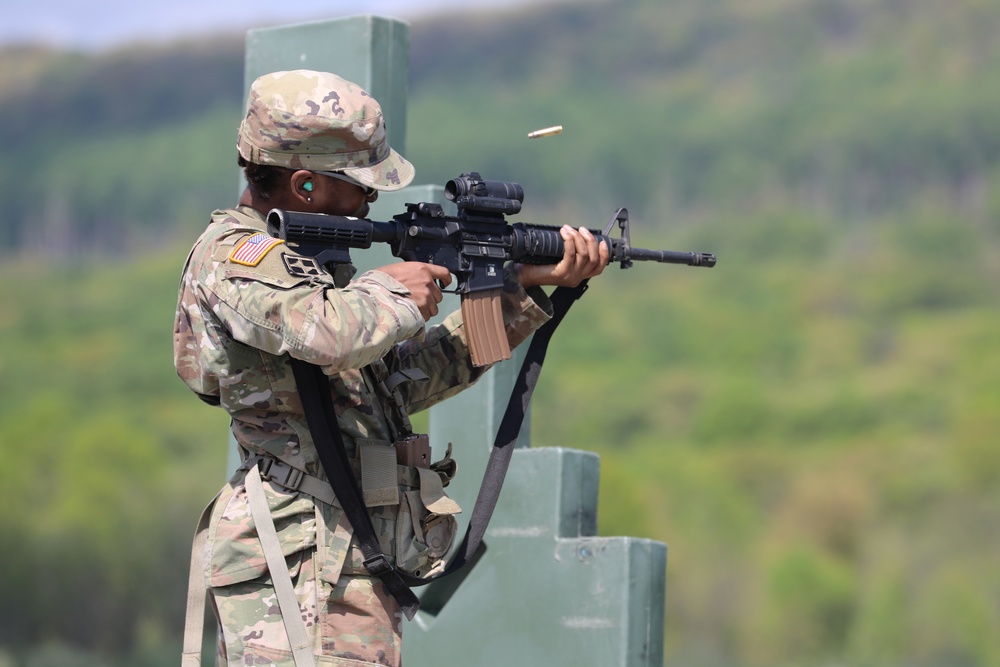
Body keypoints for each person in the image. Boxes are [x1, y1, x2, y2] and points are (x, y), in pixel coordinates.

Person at [174, 69, 608, 667]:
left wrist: (518, 296)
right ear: (304, 187)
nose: (371, 200)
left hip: (349, 556)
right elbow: (327, 335)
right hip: (298, 566)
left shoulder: (321, 271)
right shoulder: (237, 255)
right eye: (358, 185)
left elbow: (397, 381)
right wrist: (393, 294)